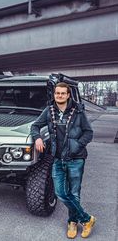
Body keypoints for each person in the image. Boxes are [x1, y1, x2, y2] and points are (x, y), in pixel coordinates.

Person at [30, 82, 96, 239]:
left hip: (76, 158)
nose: (59, 96)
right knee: (60, 192)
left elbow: (89, 133)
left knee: (74, 193)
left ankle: (72, 222)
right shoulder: (49, 110)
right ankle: (87, 219)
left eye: (62, 93)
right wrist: (37, 137)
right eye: (57, 93)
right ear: (54, 95)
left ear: (68, 95)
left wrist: (76, 146)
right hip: (57, 159)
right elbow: (35, 126)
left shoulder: (78, 111)